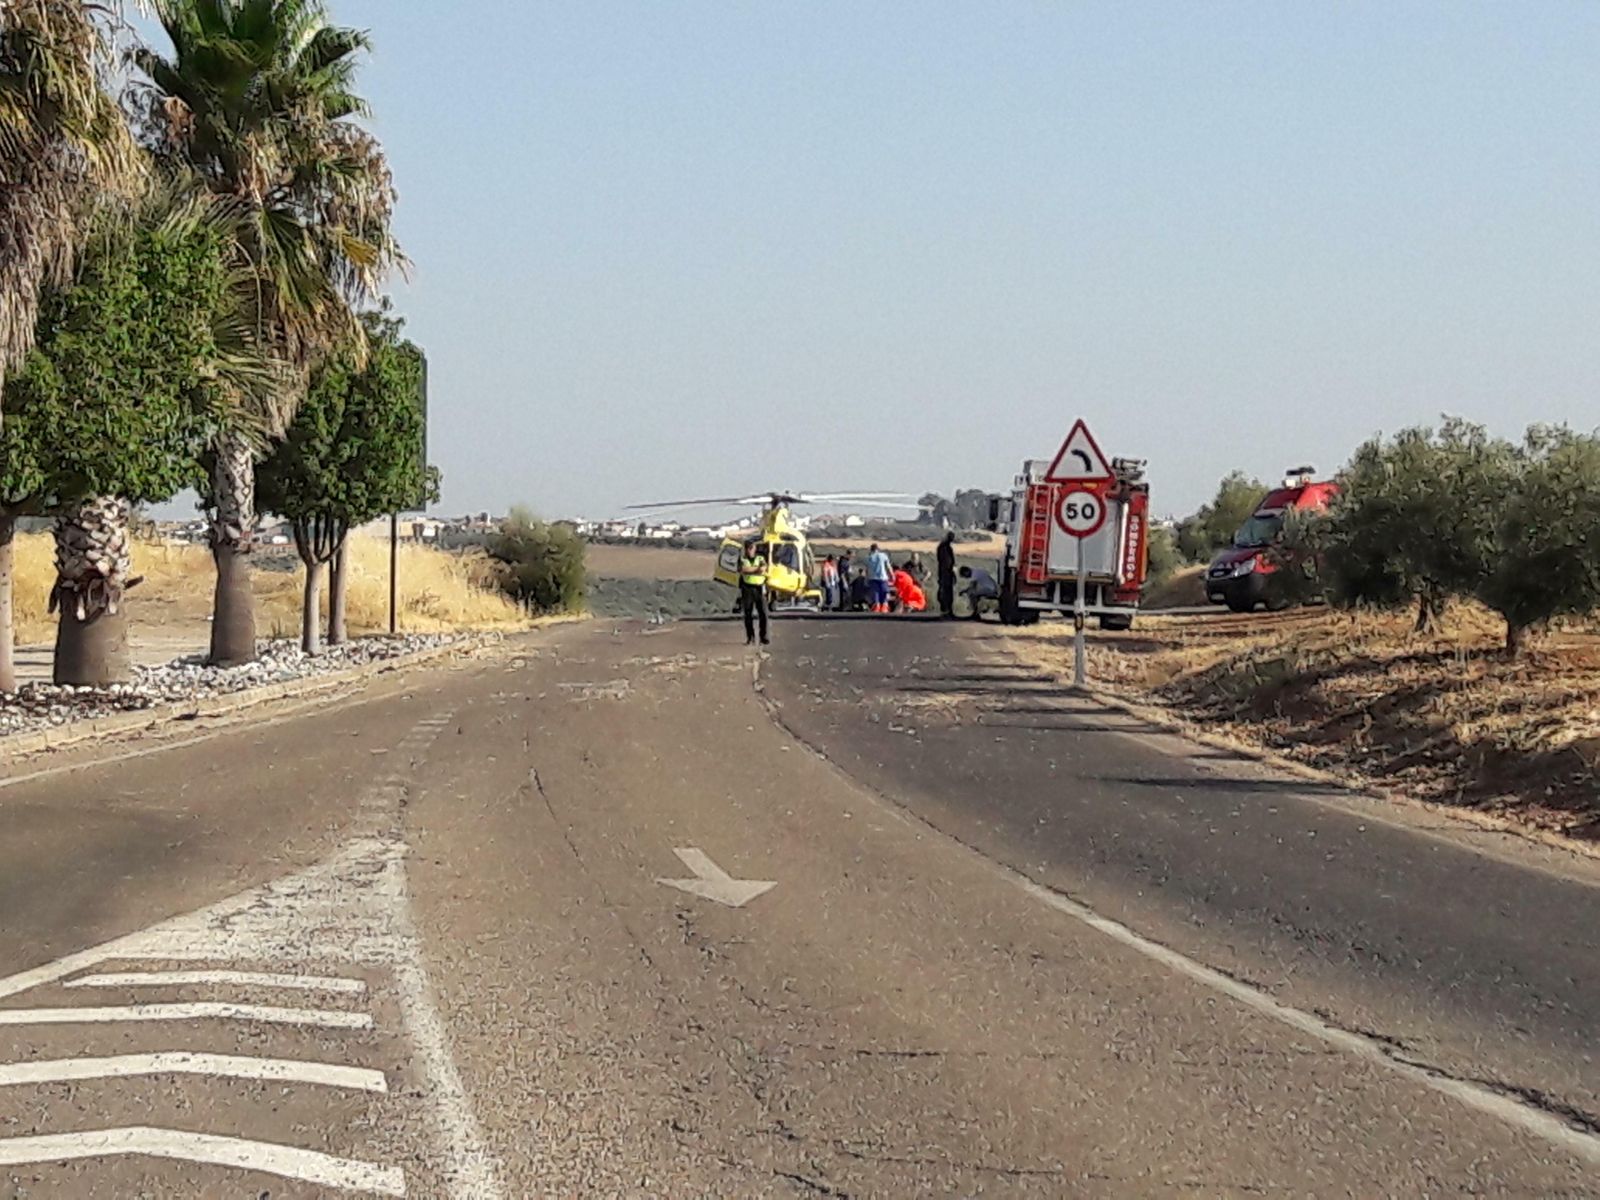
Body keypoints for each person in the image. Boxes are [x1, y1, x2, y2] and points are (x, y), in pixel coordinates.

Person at [739, 539, 770, 645]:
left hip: (759, 588)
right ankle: (750, 638)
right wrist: (756, 570)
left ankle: (763, 637)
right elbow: (743, 569)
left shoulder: (760, 558)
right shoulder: (742, 559)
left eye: (751, 548)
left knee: (763, 614)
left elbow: (763, 569)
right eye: (748, 548)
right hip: (747, 588)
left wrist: (752, 570)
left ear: (755, 549)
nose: (750, 551)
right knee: (748, 614)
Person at [865, 542, 893, 613]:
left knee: (876, 593)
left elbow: (867, 569)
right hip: (882, 577)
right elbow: (888, 566)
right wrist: (892, 575)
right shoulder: (883, 555)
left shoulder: (869, 557)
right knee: (884, 592)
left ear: (871, 549)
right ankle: (884, 606)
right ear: (878, 549)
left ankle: (877, 606)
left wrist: (866, 578)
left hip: (872, 577)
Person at [935, 531, 957, 618]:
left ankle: (948, 611)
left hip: (947, 573)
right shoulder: (943, 547)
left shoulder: (946, 547)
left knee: (948, 592)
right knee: (945, 592)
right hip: (944, 573)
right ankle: (945, 611)